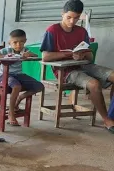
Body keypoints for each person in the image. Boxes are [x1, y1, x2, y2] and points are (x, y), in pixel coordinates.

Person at [40, 0, 114, 133]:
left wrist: (83, 54)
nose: (72, 21)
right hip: (65, 70)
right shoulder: (52, 30)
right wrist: (68, 54)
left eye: (76, 18)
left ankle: (112, 114)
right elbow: (45, 57)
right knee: (94, 84)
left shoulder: (81, 31)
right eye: (69, 17)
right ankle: (107, 120)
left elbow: (90, 57)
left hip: (84, 65)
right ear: (62, 14)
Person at [0, 29, 45, 126]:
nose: (18, 45)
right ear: (10, 42)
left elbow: (35, 55)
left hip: (19, 75)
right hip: (6, 75)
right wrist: (6, 56)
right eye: (15, 42)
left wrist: (29, 54)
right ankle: (11, 113)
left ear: (25, 41)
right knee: (17, 86)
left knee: (39, 86)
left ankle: (19, 99)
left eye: (21, 42)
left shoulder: (24, 50)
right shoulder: (7, 50)